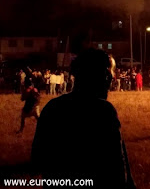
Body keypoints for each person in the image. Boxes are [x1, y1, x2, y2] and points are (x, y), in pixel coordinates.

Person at [31, 49, 135, 189]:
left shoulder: (53, 108)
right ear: (103, 76)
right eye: (109, 72)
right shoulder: (103, 111)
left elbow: (37, 160)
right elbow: (117, 168)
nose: (111, 77)